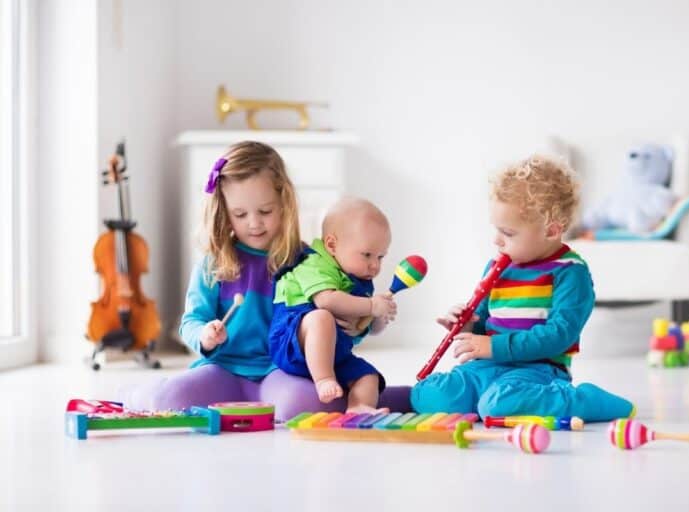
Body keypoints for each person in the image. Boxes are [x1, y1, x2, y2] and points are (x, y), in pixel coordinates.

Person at [121, 142, 411, 419]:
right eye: (240, 214)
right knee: (170, 401)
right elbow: (191, 322)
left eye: (265, 211)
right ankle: (136, 394)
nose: (254, 223)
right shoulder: (214, 263)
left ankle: (393, 400)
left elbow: (335, 324)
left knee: (312, 404)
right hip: (223, 369)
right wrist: (205, 336)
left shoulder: (307, 261)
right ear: (224, 212)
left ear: (284, 203)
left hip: (281, 372)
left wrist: (354, 325)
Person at [410, 155, 635, 421]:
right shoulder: (497, 267)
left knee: (497, 404)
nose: (497, 241)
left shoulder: (570, 273)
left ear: (551, 231)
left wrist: (495, 346)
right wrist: (468, 325)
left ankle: (585, 401)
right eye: (496, 230)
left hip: (538, 371)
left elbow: (558, 336)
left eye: (508, 233)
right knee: (429, 395)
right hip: (488, 366)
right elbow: (484, 326)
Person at [269, 198, 396, 413]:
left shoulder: (359, 279)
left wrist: (379, 317)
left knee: (368, 376)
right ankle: (323, 380)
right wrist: (371, 306)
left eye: (381, 257)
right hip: (292, 344)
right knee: (322, 317)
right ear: (331, 245)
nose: (375, 265)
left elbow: (368, 327)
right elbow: (326, 301)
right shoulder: (312, 264)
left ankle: (360, 407)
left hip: (335, 353)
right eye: (367, 255)